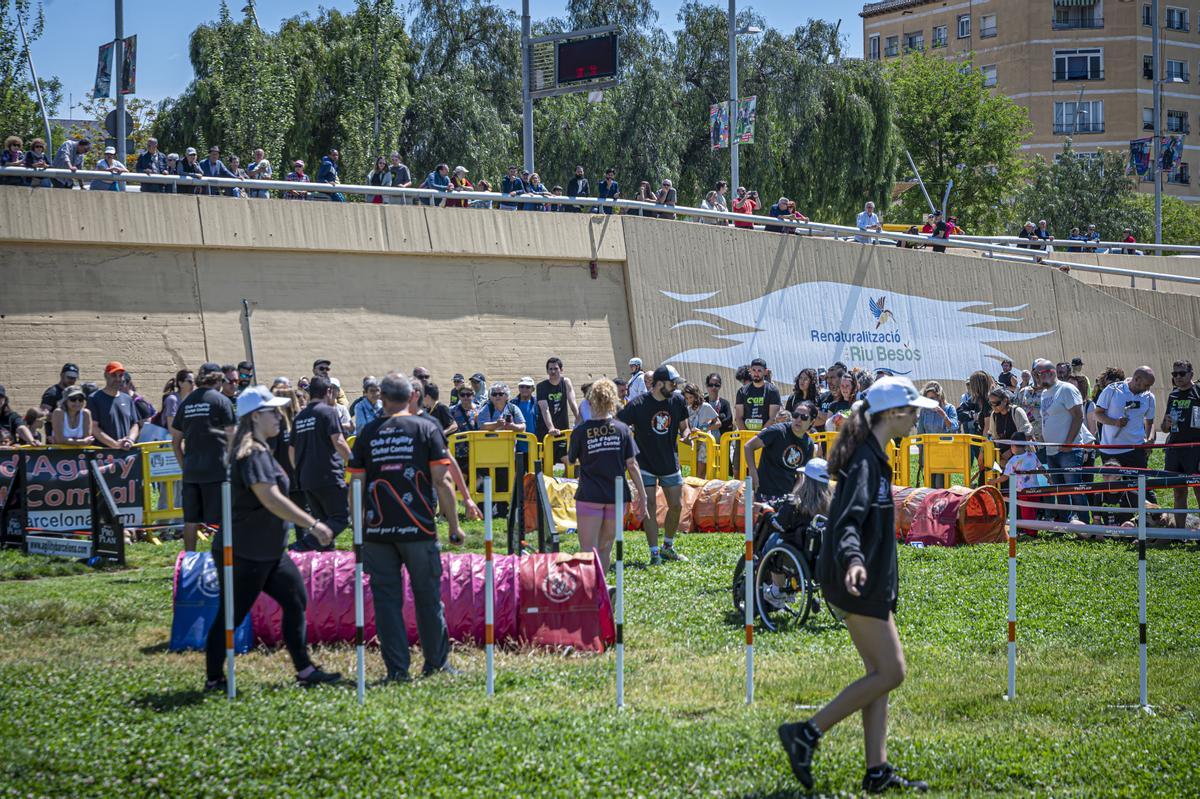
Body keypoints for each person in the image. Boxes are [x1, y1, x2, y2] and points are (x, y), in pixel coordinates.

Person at [778, 376, 935, 795]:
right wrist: (852, 561)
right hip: (855, 577)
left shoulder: (874, 456)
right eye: (913, 410)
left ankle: (876, 771)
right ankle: (806, 733)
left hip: (869, 577)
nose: (918, 416)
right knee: (893, 671)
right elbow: (845, 519)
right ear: (894, 414)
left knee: (878, 674)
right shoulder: (865, 463)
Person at [203, 385, 340, 693]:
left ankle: (304, 670)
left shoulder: (263, 450)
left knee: (295, 601)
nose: (280, 417)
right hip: (244, 553)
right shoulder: (251, 453)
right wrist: (314, 524)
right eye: (273, 412)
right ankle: (214, 678)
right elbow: (271, 498)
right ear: (255, 417)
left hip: (269, 552)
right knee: (231, 616)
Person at [350, 373, 481, 682]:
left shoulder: (367, 433)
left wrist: (358, 531)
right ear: (412, 396)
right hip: (418, 527)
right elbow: (442, 480)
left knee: (386, 601)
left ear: (382, 397)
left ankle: (397, 669)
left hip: (377, 532)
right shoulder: (425, 428)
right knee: (427, 596)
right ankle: (436, 663)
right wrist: (454, 525)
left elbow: (356, 485)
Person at [568, 380, 647, 572]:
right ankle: (601, 588)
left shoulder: (580, 432)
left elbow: (571, 460)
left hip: (590, 495)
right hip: (615, 496)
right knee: (605, 547)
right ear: (613, 400)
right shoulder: (622, 429)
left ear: (591, 401)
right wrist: (643, 496)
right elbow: (632, 465)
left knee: (588, 550)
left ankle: (591, 591)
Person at [617, 365, 692, 565]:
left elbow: (685, 426)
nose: (675, 387)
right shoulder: (638, 404)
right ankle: (654, 553)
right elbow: (619, 425)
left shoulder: (677, 400)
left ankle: (668, 546)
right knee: (649, 506)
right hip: (645, 462)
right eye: (671, 383)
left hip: (669, 461)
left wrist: (686, 435)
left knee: (676, 505)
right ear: (659, 384)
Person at [171, 363, 237, 551]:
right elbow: (232, 436)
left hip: (192, 471)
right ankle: (224, 558)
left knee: (191, 520)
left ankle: (189, 559)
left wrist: (185, 466)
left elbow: (175, 442)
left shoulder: (187, 402)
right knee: (224, 519)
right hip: (217, 470)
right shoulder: (221, 401)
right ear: (218, 380)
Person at [290, 376, 352, 551]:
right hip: (328, 475)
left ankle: (325, 562)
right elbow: (339, 441)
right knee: (341, 517)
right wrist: (354, 462)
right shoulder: (328, 411)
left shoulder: (300, 417)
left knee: (324, 523)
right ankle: (302, 545)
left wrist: (301, 470)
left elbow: (291, 451)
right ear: (329, 391)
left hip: (306, 479)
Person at [1034, 358, 1092, 524]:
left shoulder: (1066, 389)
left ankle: (1085, 524)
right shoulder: (1045, 394)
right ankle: (1066, 524)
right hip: (1052, 450)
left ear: (1051, 373)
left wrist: (1068, 443)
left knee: (1075, 488)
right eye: (1036, 374)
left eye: (1039, 374)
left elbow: (1078, 416)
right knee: (1060, 490)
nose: (1037, 378)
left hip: (1069, 450)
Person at [1095, 367, 1156, 523]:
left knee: (1142, 487)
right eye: (1146, 385)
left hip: (1136, 449)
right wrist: (1115, 422)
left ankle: (1154, 521)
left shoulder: (1149, 397)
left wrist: (1150, 438)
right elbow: (1098, 414)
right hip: (1111, 450)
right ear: (1136, 379)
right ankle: (1122, 523)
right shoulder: (1113, 390)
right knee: (1115, 489)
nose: (1148, 389)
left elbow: (1150, 421)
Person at [746, 402, 816, 502]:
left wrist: (793, 495)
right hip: (764, 493)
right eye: (795, 415)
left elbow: (802, 475)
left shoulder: (809, 444)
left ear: (812, 422)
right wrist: (753, 472)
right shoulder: (777, 431)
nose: (798, 420)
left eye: (804, 417)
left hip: (786, 496)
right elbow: (749, 446)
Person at [1161, 360, 1200, 527]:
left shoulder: (1198, 392)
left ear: (1191, 374)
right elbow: (1163, 428)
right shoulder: (1173, 394)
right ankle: (1180, 533)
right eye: (1174, 374)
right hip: (1175, 449)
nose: (1178, 377)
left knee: (1198, 491)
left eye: (1182, 373)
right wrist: (1167, 423)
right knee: (1178, 492)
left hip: (1195, 449)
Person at [87, 362, 139, 449]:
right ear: (106, 376)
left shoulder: (127, 399)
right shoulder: (94, 398)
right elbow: (93, 427)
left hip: (125, 454)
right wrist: (115, 445)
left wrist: (130, 440)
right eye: (114, 375)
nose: (118, 379)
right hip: (104, 455)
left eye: (120, 375)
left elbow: (134, 425)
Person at [537, 357, 579, 463]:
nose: (553, 371)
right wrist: (551, 428)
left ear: (561, 369)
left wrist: (580, 419)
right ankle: (545, 479)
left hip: (562, 428)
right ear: (547, 371)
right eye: (550, 369)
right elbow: (544, 409)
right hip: (546, 429)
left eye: (555, 368)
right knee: (546, 460)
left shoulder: (566, 382)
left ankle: (568, 479)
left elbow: (572, 402)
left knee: (566, 458)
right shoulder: (541, 386)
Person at [1000, 432, 1042, 524]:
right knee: (1033, 511)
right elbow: (1041, 467)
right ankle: (1034, 528)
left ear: (1013, 446)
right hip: (1036, 489)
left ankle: (1031, 532)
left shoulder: (1012, 461)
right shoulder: (1032, 455)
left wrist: (993, 481)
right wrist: (1049, 478)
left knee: (1027, 512)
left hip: (1022, 491)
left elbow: (1005, 477)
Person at [682, 382, 720, 477]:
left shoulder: (705, 406)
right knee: (694, 471)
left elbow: (718, 423)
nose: (689, 400)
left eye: (691, 397)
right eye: (686, 398)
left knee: (700, 472)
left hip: (705, 442)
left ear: (696, 395)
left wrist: (705, 428)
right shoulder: (687, 409)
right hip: (694, 441)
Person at [736, 358, 782, 433]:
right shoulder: (742, 391)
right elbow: (738, 418)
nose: (756, 373)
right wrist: (746, 434)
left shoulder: (772, 390)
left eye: (759, 371)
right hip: (746, 435)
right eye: (754, 370)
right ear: (750, 371)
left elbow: (773, 418)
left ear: (765, 372)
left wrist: (760, 436)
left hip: (766, 435)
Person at [705, 372, 735, 438]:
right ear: (706, 385)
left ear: (720, 386)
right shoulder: (702, 402)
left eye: (716, 385)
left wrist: (714, 421)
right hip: (704, 440)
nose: (713, 388)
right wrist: (717, 420)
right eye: (710, 385)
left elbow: (729, 420)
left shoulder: (725, 403)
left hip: (721, 440)